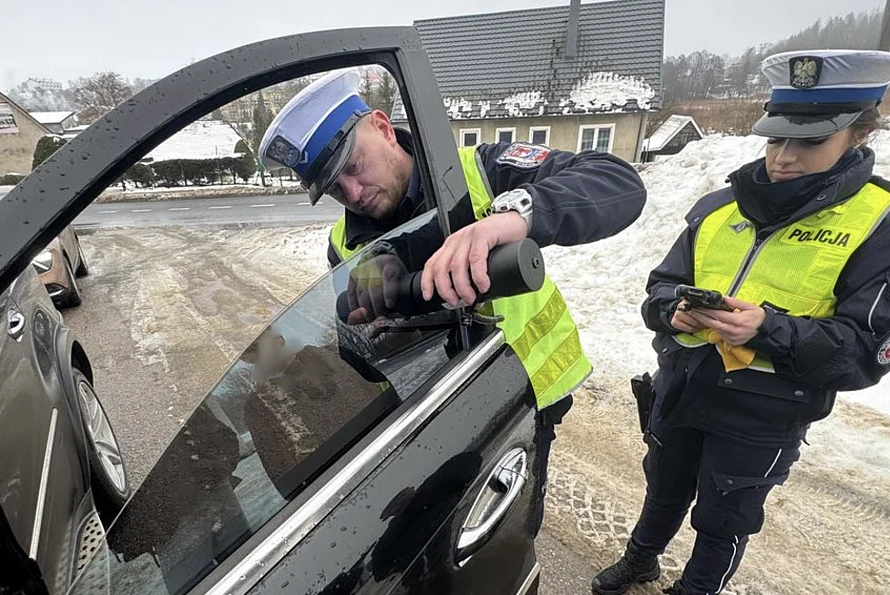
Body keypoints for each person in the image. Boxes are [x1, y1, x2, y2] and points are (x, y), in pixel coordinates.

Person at [590, 49, 890, 595]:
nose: (784, 157)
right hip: (684, 386)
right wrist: (670, 312)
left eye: (808, 143)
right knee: (664, 487)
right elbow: (660, 286)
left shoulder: (886, 230)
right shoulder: (719, 208)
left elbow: (870, 350)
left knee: (724, 516)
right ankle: (642, 560)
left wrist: (769, 329)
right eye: (776, 139)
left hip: (764, 412)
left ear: (858, 134)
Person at [258, 68, 647, 536]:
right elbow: (356, 351)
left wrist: (510, 218)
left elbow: (617, 181)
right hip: (429, 416)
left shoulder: (478, 171)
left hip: (522, 396)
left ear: (382, 127)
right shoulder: (344, 243)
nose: (354, 194)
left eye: (354, 168)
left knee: (504, 530)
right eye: (336, 189)